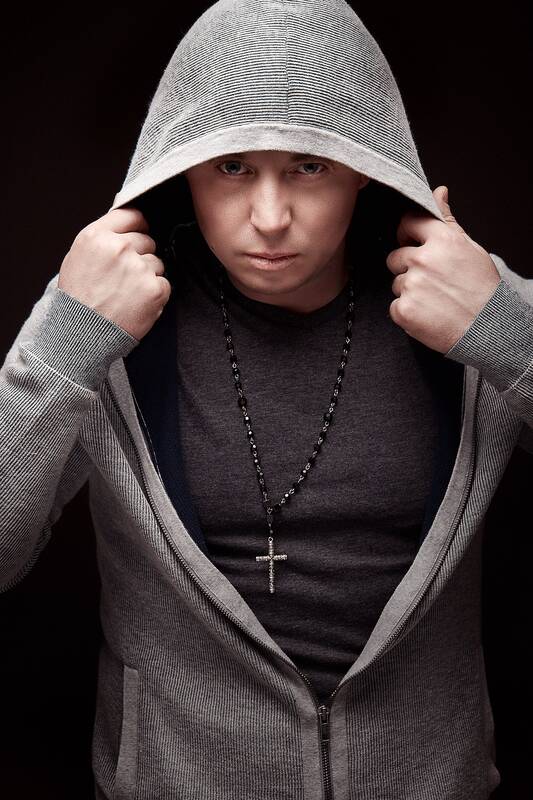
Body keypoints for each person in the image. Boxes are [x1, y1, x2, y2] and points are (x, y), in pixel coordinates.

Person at [1, 1, 532, 797]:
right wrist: (61, 348)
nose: (271, 218)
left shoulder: (469, 298)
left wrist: (507, 335)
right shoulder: (101, 313)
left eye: (308, 167)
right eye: (232, 168)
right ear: (181, 168)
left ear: (365, 166)